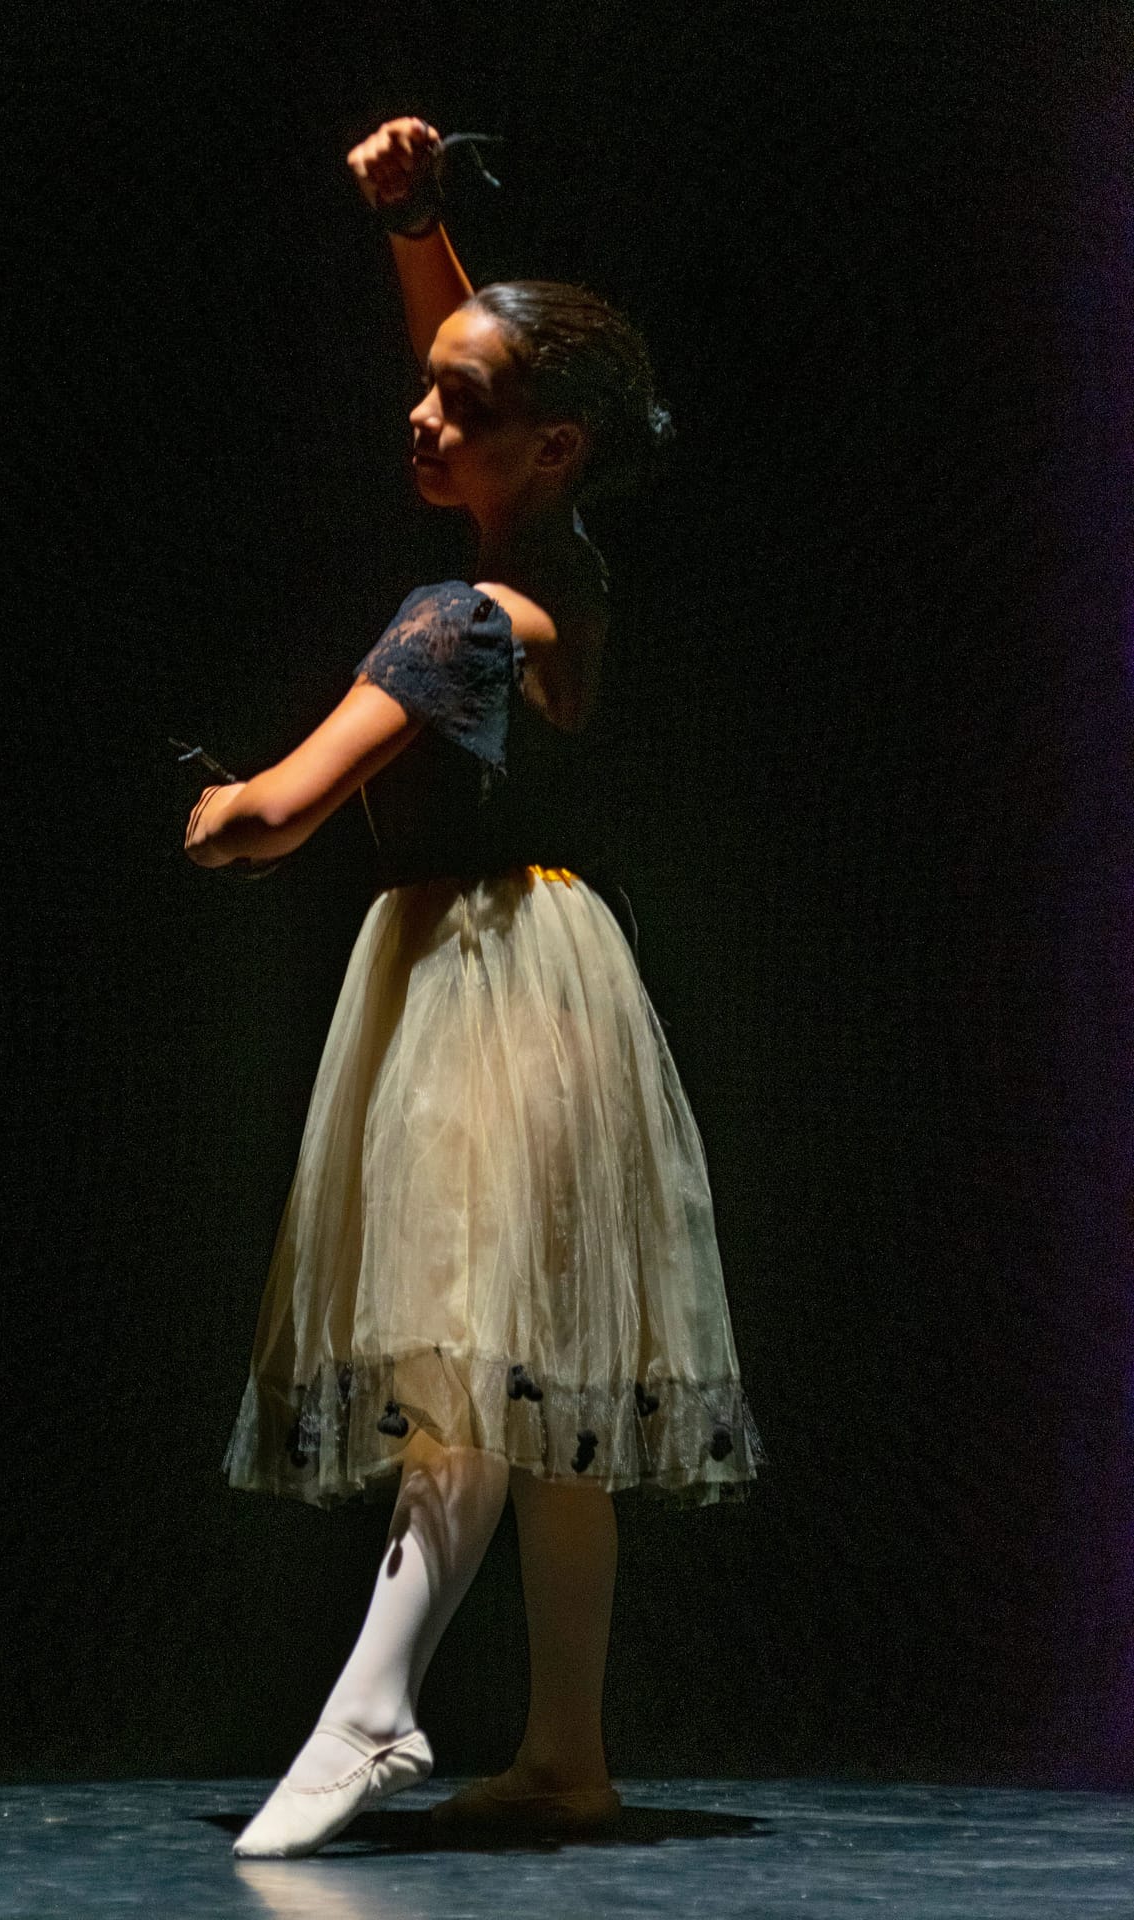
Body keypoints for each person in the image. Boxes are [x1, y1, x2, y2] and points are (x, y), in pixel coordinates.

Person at [184, 115, 765, 1859]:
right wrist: (415, 226)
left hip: (476, 983)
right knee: (545, 1385)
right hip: (561, 975)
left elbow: (275, 820)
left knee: (466, 1366)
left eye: (458, 405)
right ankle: (568, 1756)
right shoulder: (564, 559)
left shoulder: (454, 621)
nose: (420, 415)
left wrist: (215, 813)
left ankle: (372, 1704)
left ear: (548, 441)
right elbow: (495, 369)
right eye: (428, 387)